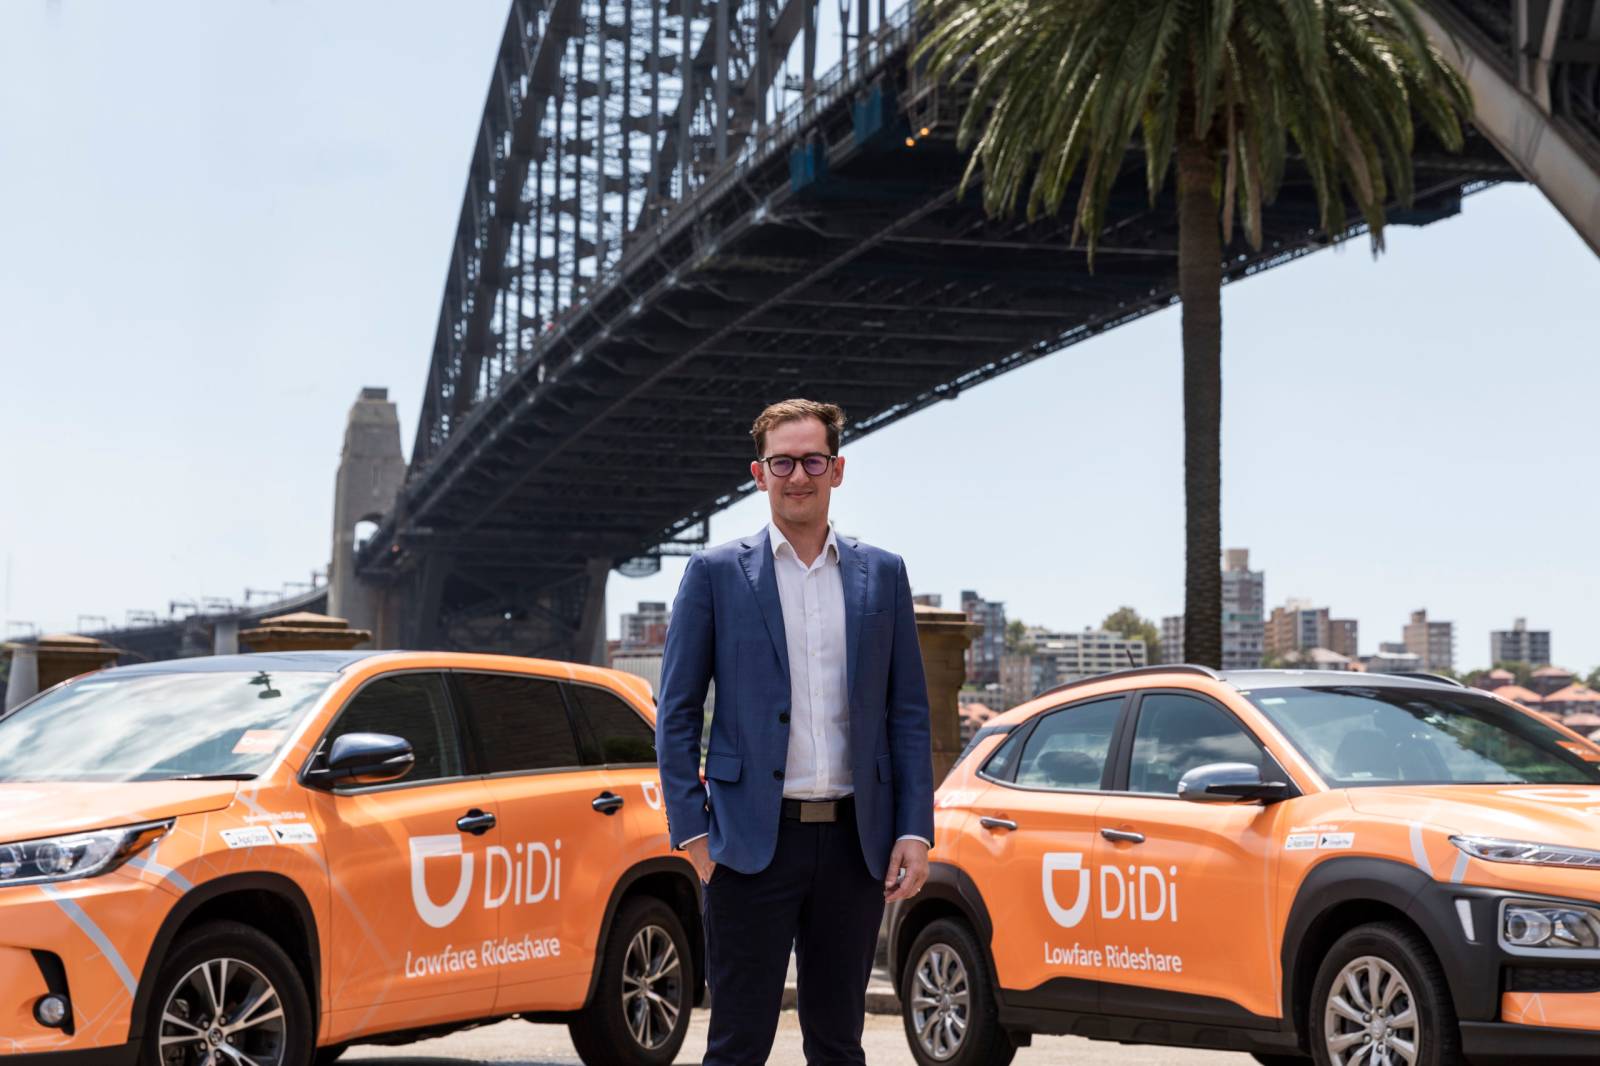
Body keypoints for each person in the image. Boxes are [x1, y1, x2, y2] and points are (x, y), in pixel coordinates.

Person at [655, 398, 935, 1066]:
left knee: (839, 1045)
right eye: (782, 462)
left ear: (837, 469)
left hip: (855, 844)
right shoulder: (714, 574)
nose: (798, 476)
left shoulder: (883, 574)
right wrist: (694, 835)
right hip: (748, 844)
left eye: (813, 460)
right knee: (737, 1046)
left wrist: (914, 830)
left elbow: (907, 712)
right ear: (759, 474)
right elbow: (677, 713)